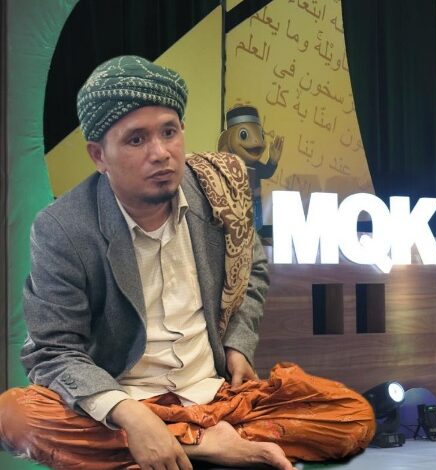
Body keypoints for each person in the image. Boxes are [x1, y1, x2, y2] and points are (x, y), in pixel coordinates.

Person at [0, 55, 374, 470]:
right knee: (15, 417)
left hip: (212, 395)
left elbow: (251, 268)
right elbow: (53, 350)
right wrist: (130, 415)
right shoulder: (63, 228)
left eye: (169, 132)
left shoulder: (219, 190)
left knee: (351, 415)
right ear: (98, 156)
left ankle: (173, 447)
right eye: (136, 140)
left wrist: (237, 345)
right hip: (125, 401)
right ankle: (207, 447)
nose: (161, 153)